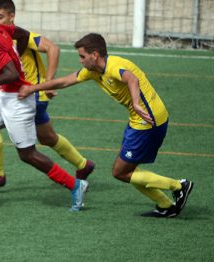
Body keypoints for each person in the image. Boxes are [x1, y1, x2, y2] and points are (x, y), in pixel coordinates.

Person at [18, 33, 194, 218]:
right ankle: (166, 205)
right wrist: (33, 88)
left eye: (82, 56)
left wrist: (135, 102)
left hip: (147, 121)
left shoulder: (113, 66)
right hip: (139, 120)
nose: (80, 61)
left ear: (94, 55)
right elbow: (65, 81)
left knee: (121, 172)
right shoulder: (93, 71)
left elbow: (132, 79)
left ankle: (179, 186)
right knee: (126, 170)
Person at [0, 4, 87, 211]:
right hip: (4, 97)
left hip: (18, 101)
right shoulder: (0, 30)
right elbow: (22, 33)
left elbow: (12, 74)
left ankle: (75, 185)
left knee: (28, 155)